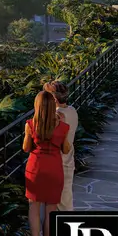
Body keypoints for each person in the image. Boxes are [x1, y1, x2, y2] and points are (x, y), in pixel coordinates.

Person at [23, 91, 71, 236]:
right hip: (54, 169)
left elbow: (26, 148)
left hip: (35, 169)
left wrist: (28, 134)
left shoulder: (31, 125)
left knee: (34, 208)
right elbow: (65, 150)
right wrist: (63, 132)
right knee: (51, 211)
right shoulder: (62, 126)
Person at [44, 81, 77, 212]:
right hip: (68, 160)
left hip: (58, 162)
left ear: (54, 98)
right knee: (66, 200)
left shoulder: (58, 116)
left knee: (60, 204)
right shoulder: (72, 110)